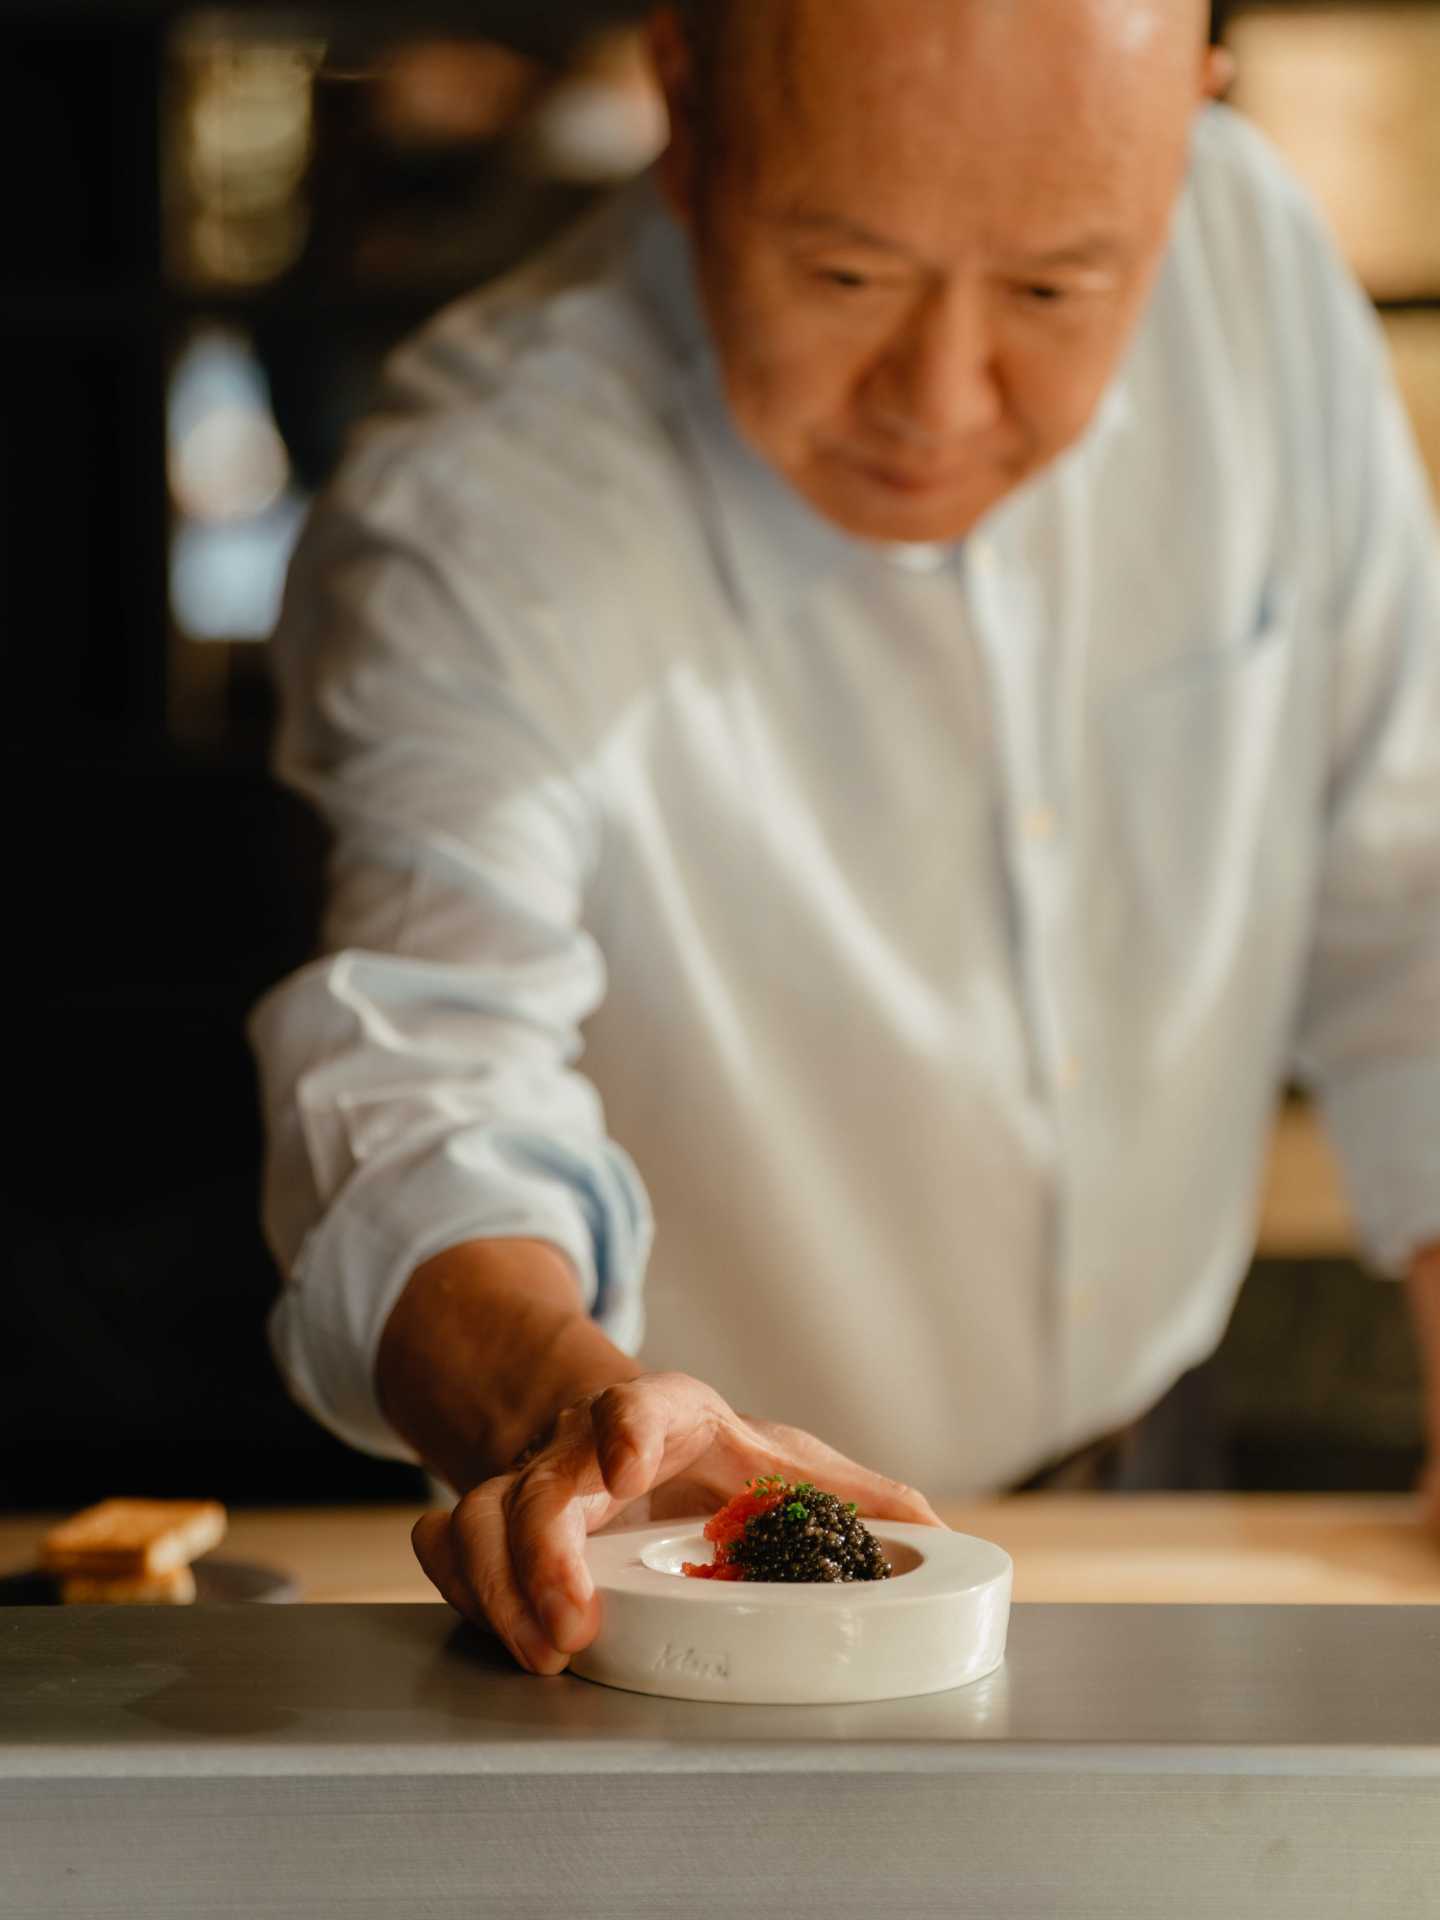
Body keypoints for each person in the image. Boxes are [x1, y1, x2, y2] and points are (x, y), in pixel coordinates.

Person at [250, 0, 1440, 1674]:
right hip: (684, 1564)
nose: (941, 396)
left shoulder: (1256, 257)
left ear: (1190, 120)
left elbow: (1410, 868)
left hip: (1154, 1475)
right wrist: (571, 1415)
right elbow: (425, 1066)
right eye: (846, 275)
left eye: (1052, 289)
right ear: (685, 103)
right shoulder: (481, 501)